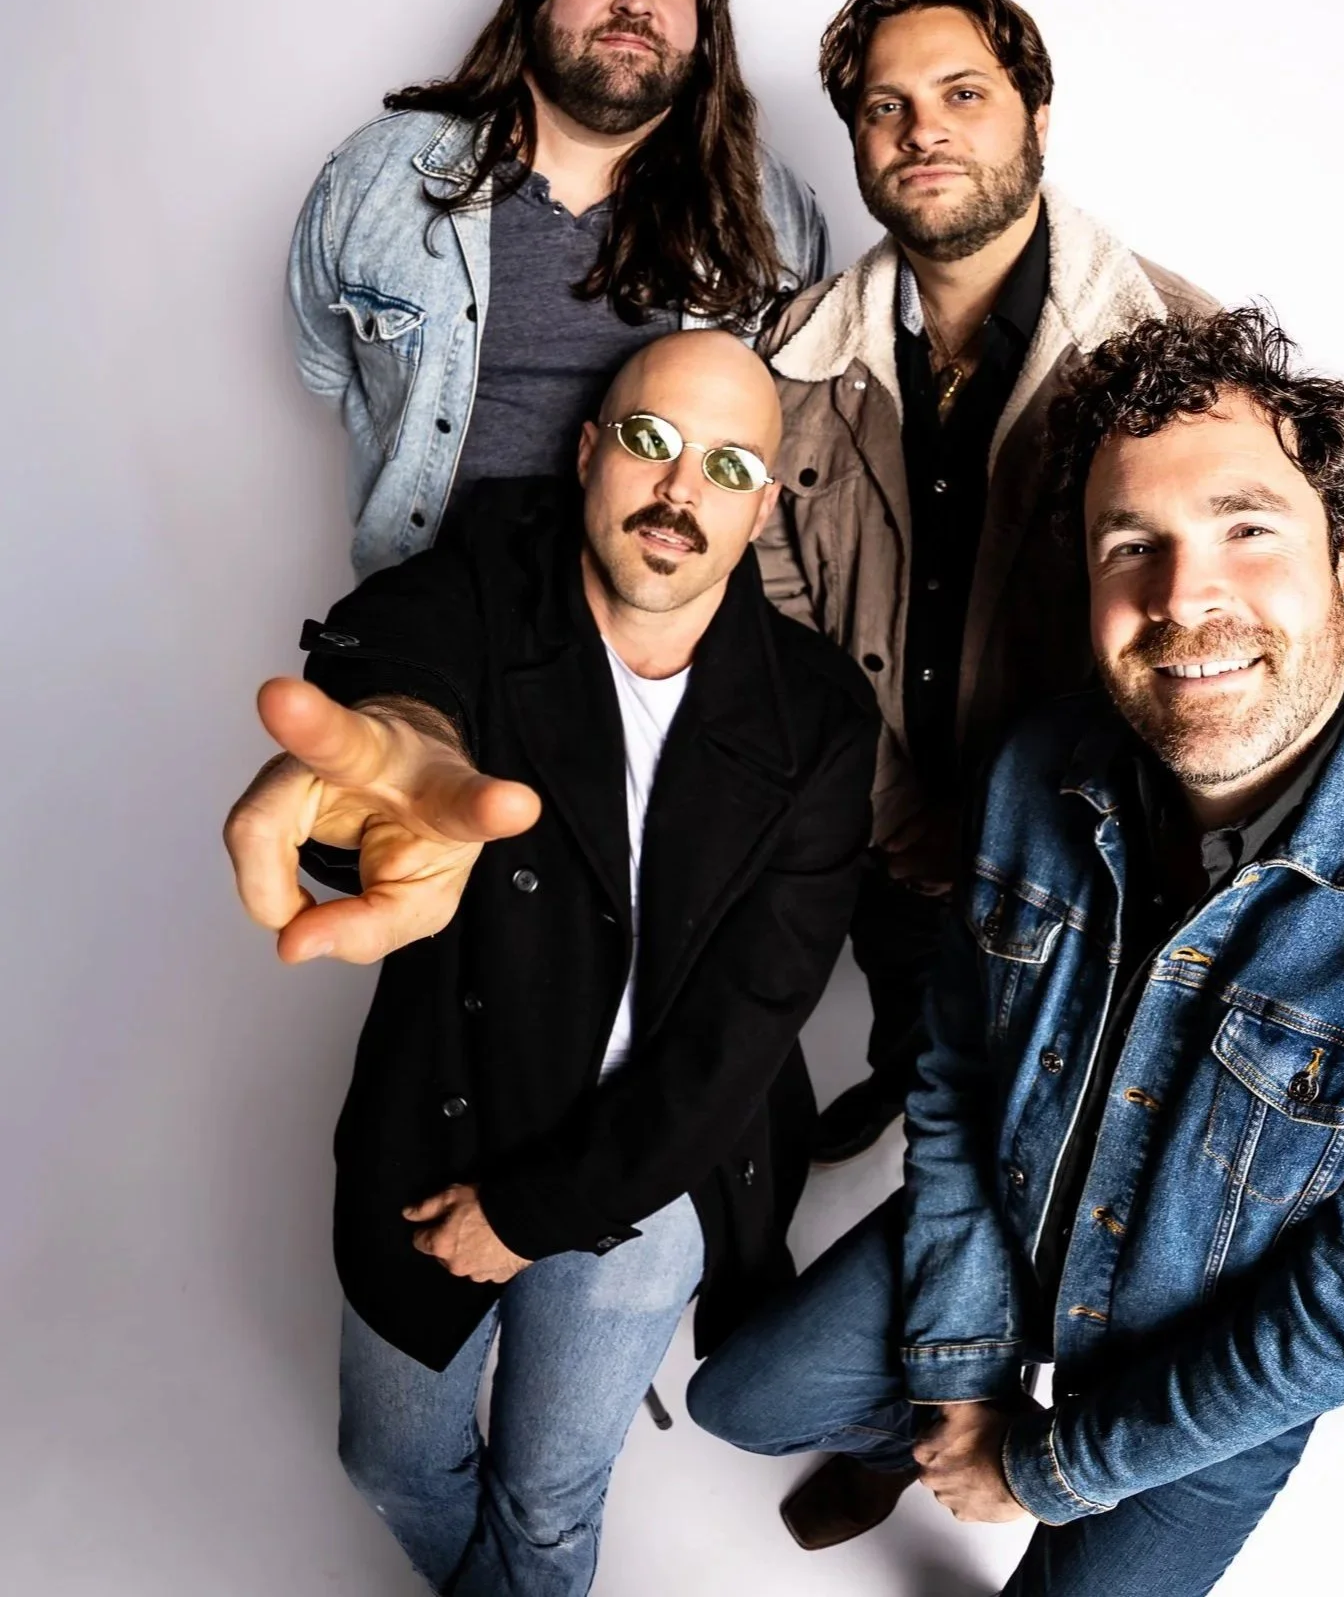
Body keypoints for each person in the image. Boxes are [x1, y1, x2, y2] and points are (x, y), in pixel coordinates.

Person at [690, 308, 1344, 1596]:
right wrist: (960, 1376)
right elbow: (955, 1072)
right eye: (1132, 545)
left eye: (1247, 529)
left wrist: (1045, 1468)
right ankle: (908, 1444)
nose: (1183, 596)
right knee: (741, 1398)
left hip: (1208, 1361)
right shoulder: (1033, 766)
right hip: (1007, 1227)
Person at [223, 330, 877, 1595]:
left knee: (544, 1500)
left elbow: (747, 1024)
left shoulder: (820, 714)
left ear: (760, 509)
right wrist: (399, 742)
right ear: (587, 453)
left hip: (658, 1160)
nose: (679, 489)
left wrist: (532, 1216)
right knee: (389, 1461)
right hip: (446, 1113)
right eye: (650, 441)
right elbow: (394, 672)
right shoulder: (477, 586)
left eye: (727, 466)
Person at [757, 0, 1214, 1162]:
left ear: (1036, 118)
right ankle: (902, 1072)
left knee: (1049, 1147)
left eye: (962, 93)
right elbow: (774, 606)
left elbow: (1202, 625)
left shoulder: (1176, 346)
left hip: (1083, 858)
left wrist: (1011, 822)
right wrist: (895, 810)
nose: (923, 130)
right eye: (886, 106)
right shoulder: (795, 355)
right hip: (878, 840)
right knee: (927, 1067)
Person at [288, 0, 828, 579]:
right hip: (428, 605)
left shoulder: (770, 209)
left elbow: (782, 432)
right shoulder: (379, 178)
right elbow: (328, 371)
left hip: (661, 627)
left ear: (704, 23)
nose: (636, 1)